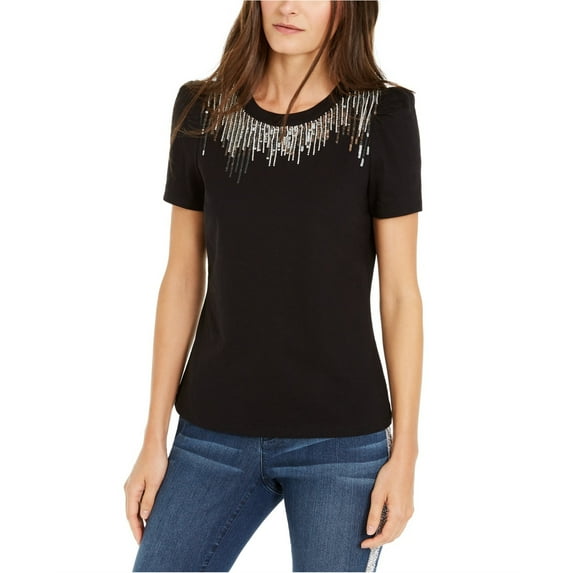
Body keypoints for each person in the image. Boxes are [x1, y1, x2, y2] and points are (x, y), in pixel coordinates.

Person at [123, 1, 423, 571]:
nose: (288, 6)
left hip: (341, 443)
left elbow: (401, 295)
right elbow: (182, 276)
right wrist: (153, 438)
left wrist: (405, 451)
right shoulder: (203, 110)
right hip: (212, 432)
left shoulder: (383, 117)